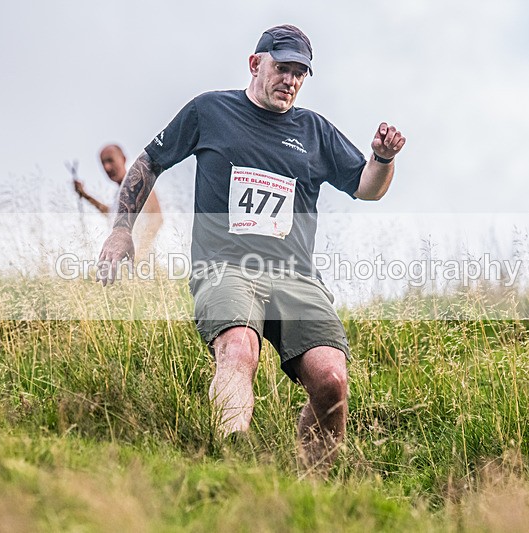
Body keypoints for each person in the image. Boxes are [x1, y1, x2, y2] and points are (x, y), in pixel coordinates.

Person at [96, 24, 405, 474]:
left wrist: (382, 158)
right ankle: (233, 472)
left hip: (297, 277)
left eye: (301, 73)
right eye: (283, 68)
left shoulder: (315, 131)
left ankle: (313, 489)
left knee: (332, 380)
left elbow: (368, 189)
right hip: (225, 268)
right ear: (255, 64)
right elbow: (149, 161)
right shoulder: (210, 110)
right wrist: (122, 230)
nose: (291, 80)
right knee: (239, 351)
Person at [74, 143, 163, 251]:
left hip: (144, 258)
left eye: (110, 160)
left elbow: (156, 218)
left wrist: (141, 251)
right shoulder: (120, 193)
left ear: (123, 159)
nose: (107, 167)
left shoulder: (138, 182)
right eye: (103, 163)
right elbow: (111, 214)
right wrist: (85, 195)